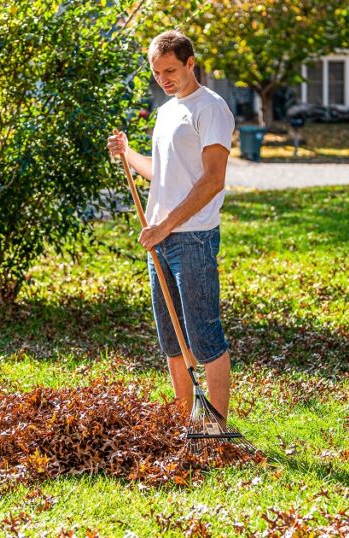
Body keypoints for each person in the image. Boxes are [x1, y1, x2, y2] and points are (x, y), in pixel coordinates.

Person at [107, 30, 235, 426]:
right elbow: (161, 173)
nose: (163, 79)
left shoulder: (210, 108)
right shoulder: (166, 112)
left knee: (203, 337)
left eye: (170, 70)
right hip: (159, 239)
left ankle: (216, 427)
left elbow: (213, 180)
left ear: (190, 63)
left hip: (192, 238)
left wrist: (165, 225)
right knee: (172, 340)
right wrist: (128, 153)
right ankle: (186, 424)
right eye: (156, 72)